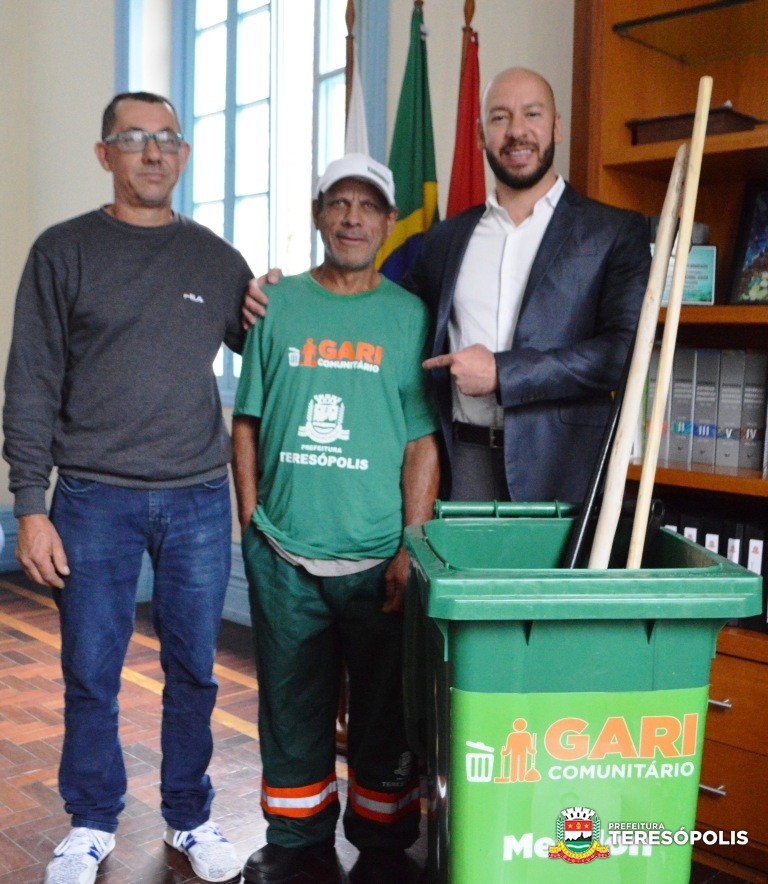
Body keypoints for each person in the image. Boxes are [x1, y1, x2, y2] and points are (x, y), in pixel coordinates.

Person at [2, 91, 251, 884]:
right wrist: (30, 506)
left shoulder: (217, 260)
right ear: (104, 153)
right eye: (134, 138)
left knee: (195, 672)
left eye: (166, 138)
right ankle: (92, 820)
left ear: (184, 154)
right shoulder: (63, 251)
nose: (152, 152)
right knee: (90, 671)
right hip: (91, 499)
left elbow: (270, 344)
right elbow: (30, 383)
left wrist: (280, 300)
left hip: (199, 498)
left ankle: (190, 814)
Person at [243, 68, 651, 505]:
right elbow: (372, 311)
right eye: (500, 117)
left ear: (556, 126)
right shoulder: (445, 240)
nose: (517, 131)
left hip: (564, 469)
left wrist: (503, 373)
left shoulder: (614, 232)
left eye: (532, 114)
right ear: (480, 135)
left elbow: (623, 354)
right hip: (461, 465)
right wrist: (284, 299)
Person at [232, 153, 439, 884]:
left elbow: (420, 442)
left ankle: (383, 841)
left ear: (388, 221)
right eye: (339, 203)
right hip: (285, 556)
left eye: (368, 206)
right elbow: (247, 421)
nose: (353, 218)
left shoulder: (409, 316)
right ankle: (296, 838)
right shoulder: (277, 305)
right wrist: (252, 524)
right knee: (292, 708)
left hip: (379, 557)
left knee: (385, 714)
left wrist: (410, 546)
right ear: (319, 214)